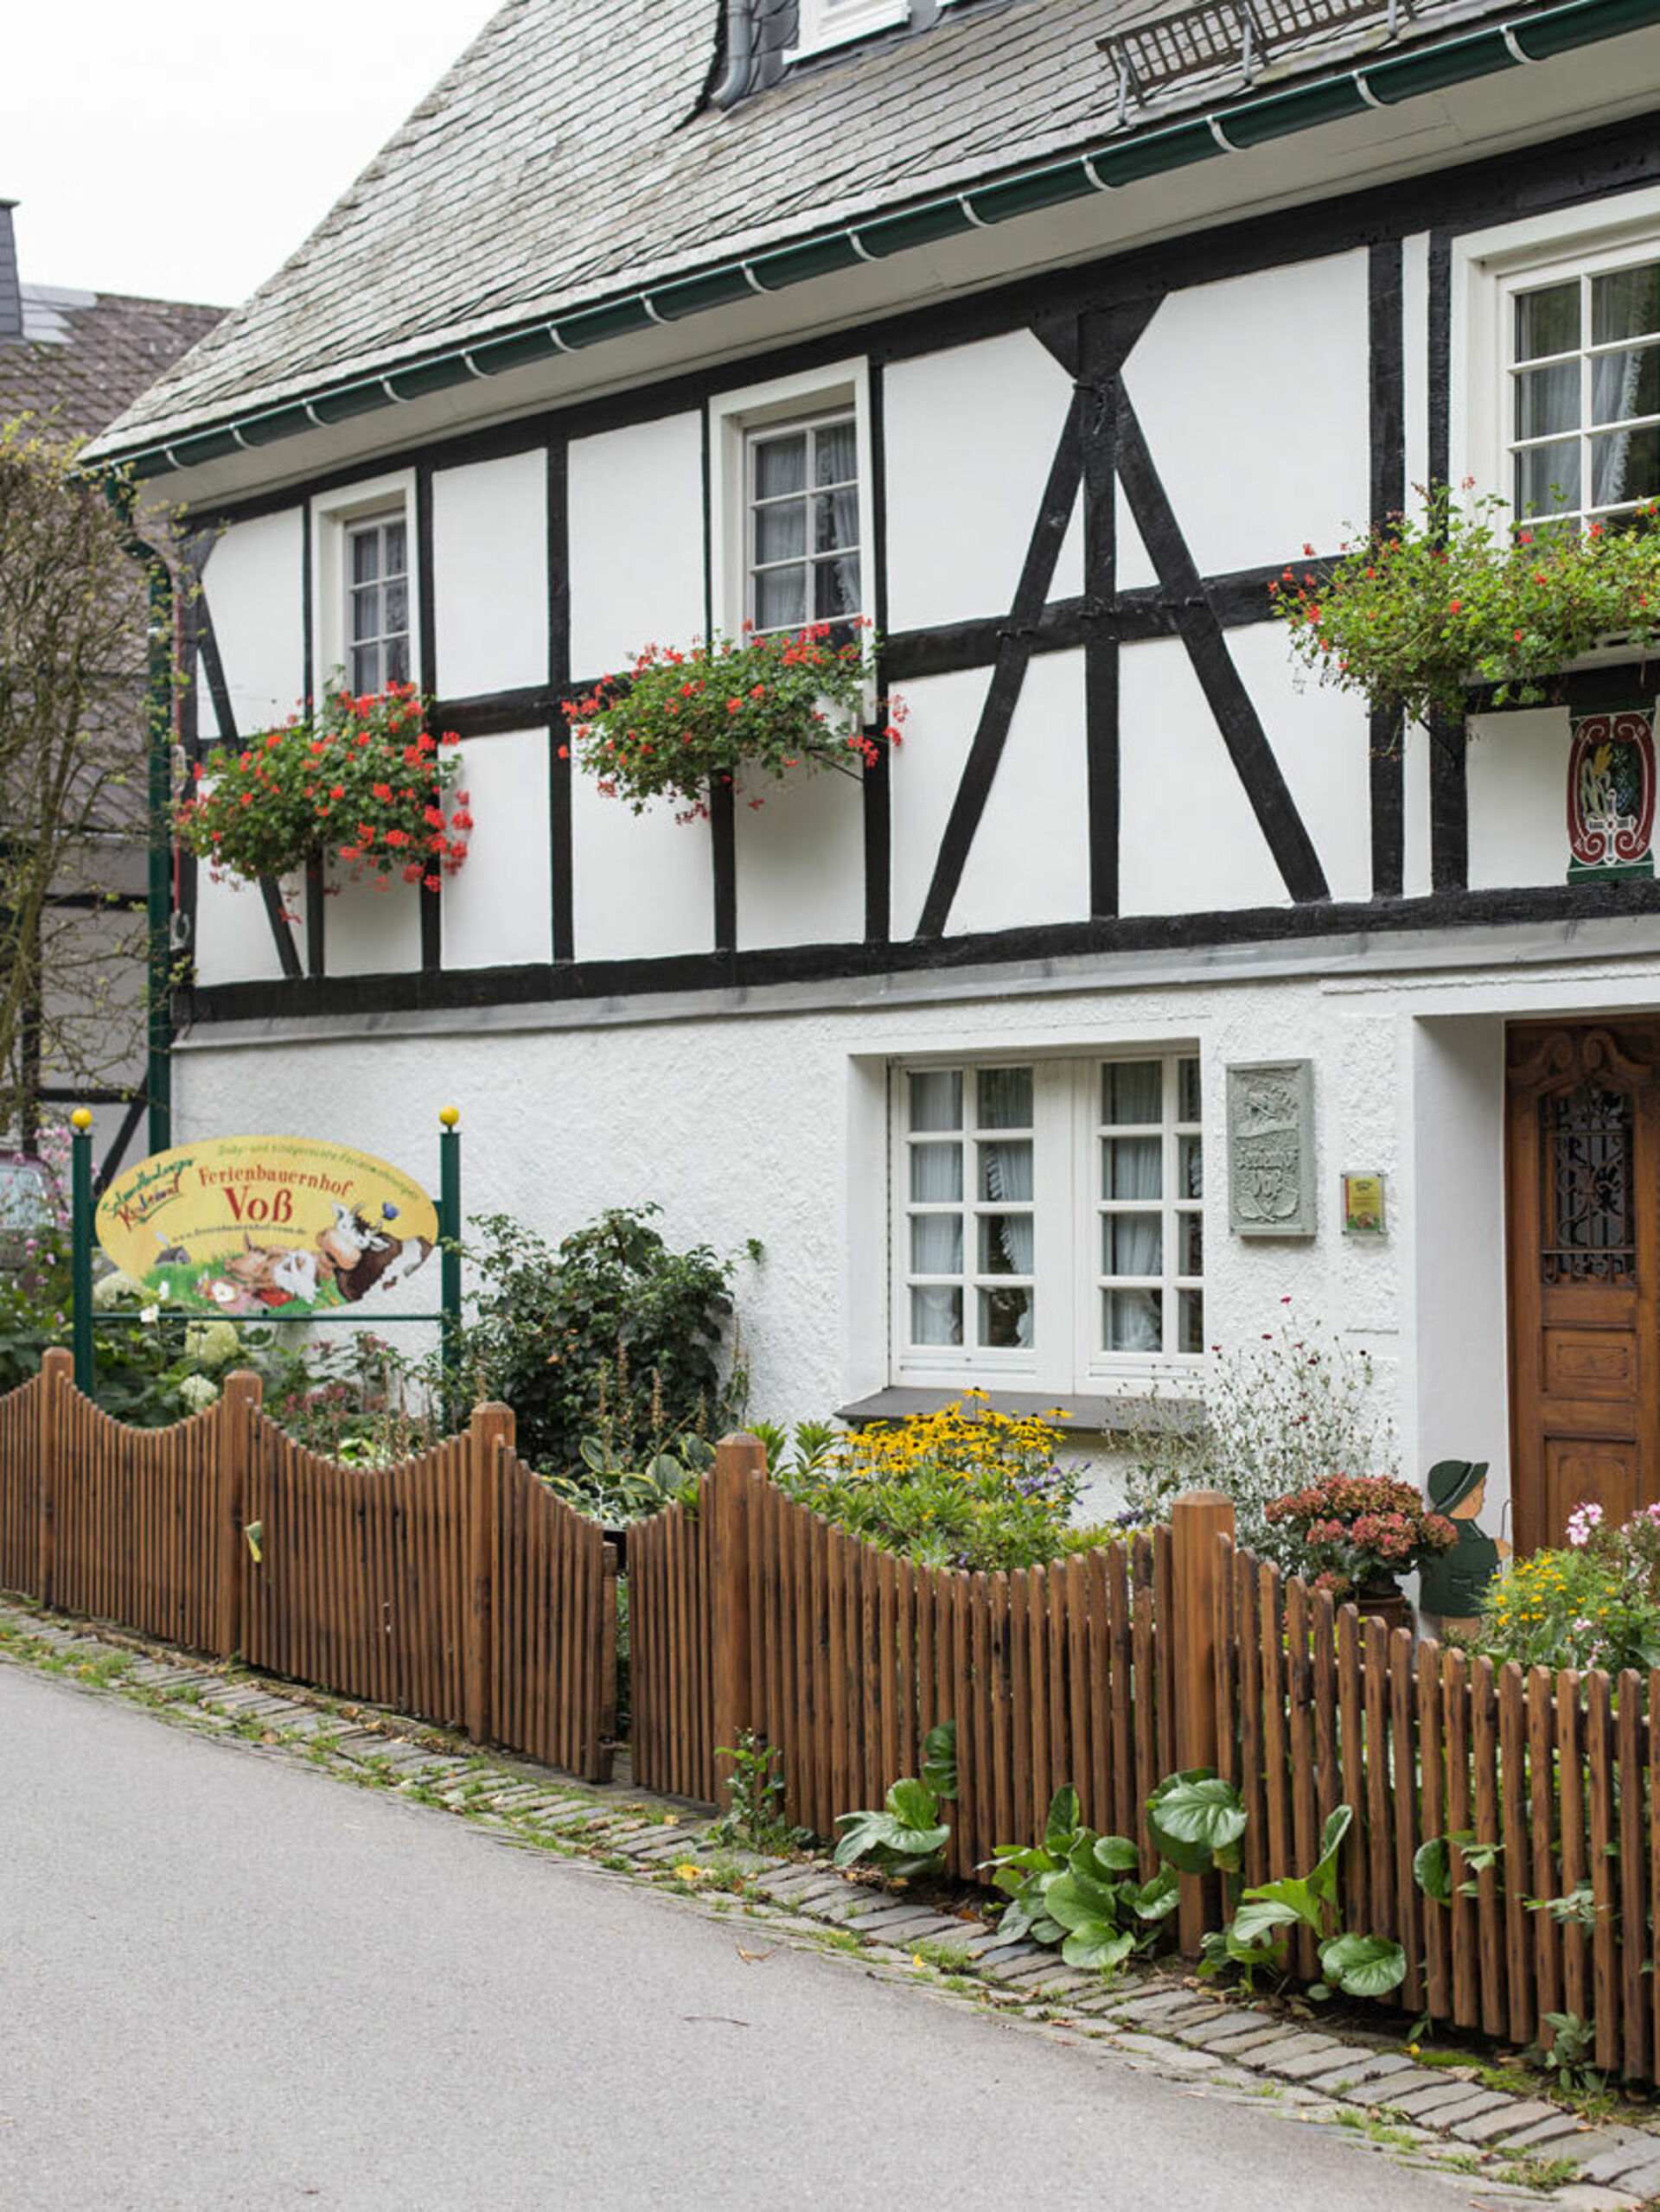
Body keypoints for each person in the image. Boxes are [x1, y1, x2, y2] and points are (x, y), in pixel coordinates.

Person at [1417, 1459, 1510, 1641]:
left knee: (1475, 1636)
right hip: (1458, 1599)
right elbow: (1462, 1556)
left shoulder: (1462, 1524)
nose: (1483, 1498)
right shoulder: (1444, 1528)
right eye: (1479, 1492)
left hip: (1468, 1598)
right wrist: (1493, 1551)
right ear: (1465, 1497)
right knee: (1461, 1638)